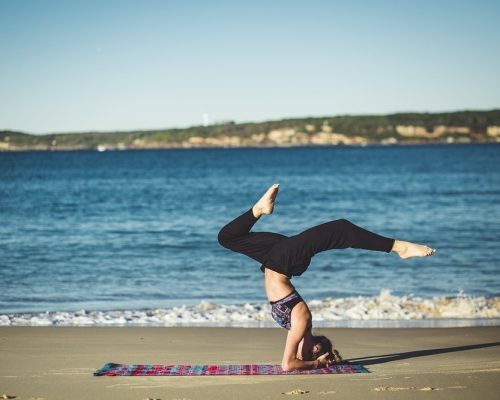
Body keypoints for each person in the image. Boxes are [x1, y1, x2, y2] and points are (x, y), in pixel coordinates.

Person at [217, 184, 436, 371]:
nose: (314, 350)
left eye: (314, 353)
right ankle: (399, 247)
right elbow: (292, 361)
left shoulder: (297, 325)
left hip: (277, 259)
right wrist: (320, 361)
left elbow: (288, 364)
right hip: (283, 262)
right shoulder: (302, 319)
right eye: (318, 348)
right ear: (318, 342)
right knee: (341, 228)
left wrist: (316, 364)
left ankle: (259, 209)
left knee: (227, 238)